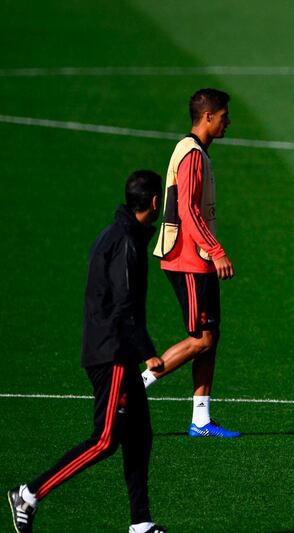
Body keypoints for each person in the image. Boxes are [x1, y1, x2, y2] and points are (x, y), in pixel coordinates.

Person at [7, 171, 167, 533]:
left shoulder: (114, 234)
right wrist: (148, 352)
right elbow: (124, 305)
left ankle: (141, 522)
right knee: (106, 439)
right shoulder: (125, 241)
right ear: (155, 202)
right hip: (111, 354)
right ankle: (29, 494)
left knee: (140, 435)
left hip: (114, 349)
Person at [145, 88, 239, 438]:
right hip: (188, 259)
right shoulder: (193, 155)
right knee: (200, 339)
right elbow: (188, 210)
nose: (228, 122)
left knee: (210, 337)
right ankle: (132, 388)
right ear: (208, 117)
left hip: (195, 258)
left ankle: (201, 419)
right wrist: (216, 250)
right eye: (224, 116)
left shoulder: (197, 152)